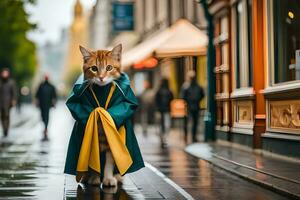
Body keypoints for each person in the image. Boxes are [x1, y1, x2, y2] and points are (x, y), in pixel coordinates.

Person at [181, 71, 205, 143]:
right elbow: (202, 95)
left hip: (191, 106)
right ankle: (190, 137)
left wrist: (188, 101)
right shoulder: (190, 86)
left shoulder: (187, 86)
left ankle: (190, 137)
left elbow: (183, 96)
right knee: (193, 122)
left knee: (191, 122)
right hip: (193, 106)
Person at [35, 75, 57, 141]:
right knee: (42, 116)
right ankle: (45, 126)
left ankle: (45, 128)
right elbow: (37, 94)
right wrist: (37, 102)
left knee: (46, 116)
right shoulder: (41, 85)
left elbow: (54, 95)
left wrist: (54, 103)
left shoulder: (51, 86)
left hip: (48, 104)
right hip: (42, 104)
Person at [155, 78, 174, 147]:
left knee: (162, 126)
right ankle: (164, 138)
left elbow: (156, 101)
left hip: (162, 110)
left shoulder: (159, 91)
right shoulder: (169, 91)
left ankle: (162, 138)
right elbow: (172, 99)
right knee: (166, 125)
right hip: (166, 110)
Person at [0, 68, 17, 137]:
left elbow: (14, 92)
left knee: (7, 116)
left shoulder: (11, 82)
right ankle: (4, 128)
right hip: (1, 102)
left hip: (8, 102)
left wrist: (13, 100)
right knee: (2, 116)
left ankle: (6, 129)